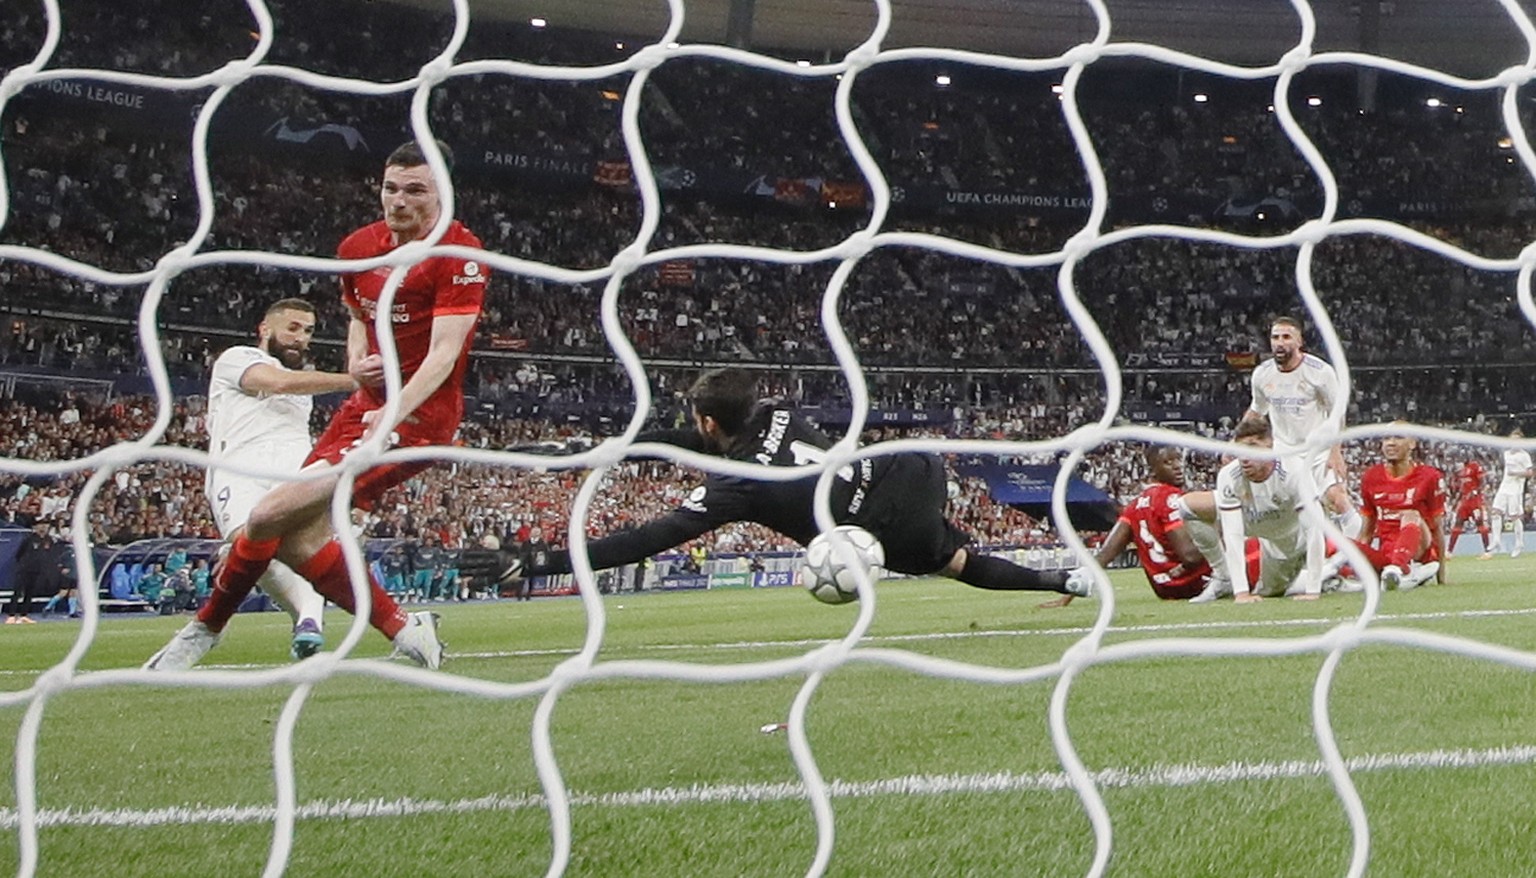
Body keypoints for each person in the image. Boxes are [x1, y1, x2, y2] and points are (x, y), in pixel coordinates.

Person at [145, 140, 489, 671]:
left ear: (441, 190)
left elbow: (444, 355)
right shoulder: (358, 247)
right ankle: (405, 628)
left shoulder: (459, 257)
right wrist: (356, 362)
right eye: (390, 187)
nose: (398, 201)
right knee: (296, 536)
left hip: (418, 421)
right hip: (363, 409)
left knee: (265, 518)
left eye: (415, 190)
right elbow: (358, 313)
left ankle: (203, 631)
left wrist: (390, 414)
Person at [502, 368, 1091, 600]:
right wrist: (613, 452)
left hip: (878, 524)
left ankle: (1068, 580)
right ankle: (1072, 577)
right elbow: (690, 442)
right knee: (956, 555)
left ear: (708, 423)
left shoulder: (741, 485)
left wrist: (541, 561)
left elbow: (648, 539)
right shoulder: (779, 411)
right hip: (912, 467)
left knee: (955, 564)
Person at [199, 296, 363, 660]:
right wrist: (354, 380)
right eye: (292, 328)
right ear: (264, 329)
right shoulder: (237, 358)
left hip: (293, 468)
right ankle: (304, 618)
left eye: (307, 332)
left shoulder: (304, 385)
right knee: (253, 545)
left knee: (302, 548)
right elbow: (277, 383)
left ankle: (309, 621)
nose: (300, 338)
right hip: (238, 468)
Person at [1242, 315, 1360, 598]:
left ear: (1299, 341)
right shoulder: (1262, 374)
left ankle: (1343, 564)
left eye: (1286, 337)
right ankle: (1296, 571)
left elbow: (1336, 414)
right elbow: (1256, 411)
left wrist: (1336, 452)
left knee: (1338, 500)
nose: (1279, 342)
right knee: (1296, 514)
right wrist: (1235, 445)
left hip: (1318, 451)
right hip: (1284, 454)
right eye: (1275, 337)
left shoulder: (1320, 372)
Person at [1045, 445, 1232, 608]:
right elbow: (1190, 557)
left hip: (1165, 589)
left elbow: (1104, 555)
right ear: (1152, 471)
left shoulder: (1133, 507)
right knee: (1245, 536)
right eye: (1168, 462)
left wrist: (1068, 594)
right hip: (1196, 583)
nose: (1177, 466)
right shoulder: (1172, 498)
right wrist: (1220, 529)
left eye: (1178, 460)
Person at [1213, 417, 1316, 602]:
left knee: (1350, 555)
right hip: (1274, 544)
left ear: (1269, 445)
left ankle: (1330, 573)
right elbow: (1233, 536)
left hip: (1304, 535)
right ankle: (1329, 577)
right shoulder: (1229, 476)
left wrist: (1313, 591)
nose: (1244, 457)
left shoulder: (1295, 469)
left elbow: (1314, 530)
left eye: (1252, 447)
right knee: (1271, 591)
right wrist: (1241, 592)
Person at [1335, 430, 1445, 591]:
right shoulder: (1371, 477)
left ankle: (1399, 567)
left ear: (1412, 444)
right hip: (1386, 556)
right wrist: (1357, 556)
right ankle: (1329, 576)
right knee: (1334, 538)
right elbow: (1367, 533)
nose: (1390, 443)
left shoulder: (1429, 476)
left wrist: (1442, 578)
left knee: (1411, 514)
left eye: (1398, 437)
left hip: (1420, 555)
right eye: (1386, 438)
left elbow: (1437, 529)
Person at [1489, 426, 1532, 559]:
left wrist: (1516, 473)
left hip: (1515, 489)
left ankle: (1519, 543)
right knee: (1495, 512)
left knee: (1514, 517)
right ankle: (1496, 539)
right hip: (1504, 486)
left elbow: (1530, 473)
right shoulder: (1507, 453)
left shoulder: (1524, 455)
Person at [1448, 457, 1493, 559]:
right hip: (1464, 501)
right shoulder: (1461, 470)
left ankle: (1488, 551)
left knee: (1480, 524)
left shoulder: (1475, 466)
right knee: (1458, 523)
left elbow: (1483, 481)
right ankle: (1449, 552)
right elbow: (1462, 486)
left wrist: (1476, 491)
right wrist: (1457, 500)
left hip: (1475, 501)